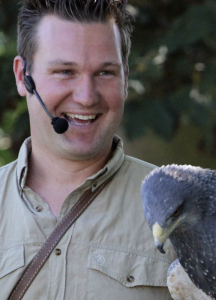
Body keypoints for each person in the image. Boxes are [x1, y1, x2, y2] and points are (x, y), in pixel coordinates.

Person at [0, 0, 175, 299]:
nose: (86, 97)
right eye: (65, 71)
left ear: (125, 78)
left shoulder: (179, 213)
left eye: (105, 73)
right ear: (22, 76)